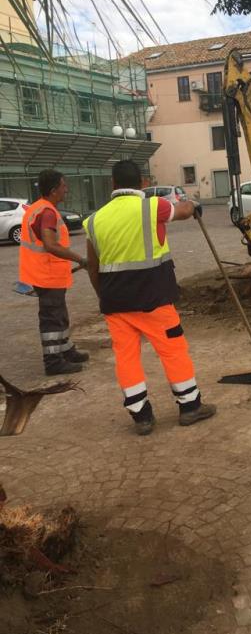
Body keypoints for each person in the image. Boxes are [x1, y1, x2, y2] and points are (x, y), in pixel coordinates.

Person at [83, 159, 216, 435]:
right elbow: (182, 210)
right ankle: (190, 406)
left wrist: (104, 298)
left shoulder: (94, 220)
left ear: (113, 184)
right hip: (154, 299)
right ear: (143, 183)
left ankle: (141, 416)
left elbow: (93, 268)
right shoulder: (153, 206)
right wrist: (193, 205)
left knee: (126, 357)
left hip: (115, 303)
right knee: (173, 350)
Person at [19, 169, 89, 376]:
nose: (66, 189)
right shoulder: (47, 212)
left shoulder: (39, 208)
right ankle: (53, 362)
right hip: (47, 275)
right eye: (63, 186)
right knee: (52, 319)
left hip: (46, 274)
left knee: (59, 315)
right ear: (53, 190)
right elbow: (50, 245)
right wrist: (80, 259)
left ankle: (66, 350)